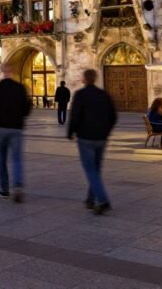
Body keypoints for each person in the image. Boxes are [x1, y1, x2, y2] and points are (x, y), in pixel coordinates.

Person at [67, 69, 117, 215]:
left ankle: (102, 200)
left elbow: (75, 116)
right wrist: (106, 131)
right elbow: (113, 116)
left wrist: (71, 132)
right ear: (95, 78)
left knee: (90, 169)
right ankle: (90, 199)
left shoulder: (80, 95)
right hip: (101, 138)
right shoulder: (104, 94)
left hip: (85, 138)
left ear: (84, 79)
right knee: (95, 169)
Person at [0, 68, 32, 202]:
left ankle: (4, 190)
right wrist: (20, 117)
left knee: (1, 159)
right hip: (16, 128)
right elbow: (28, 107)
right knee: (17, 159)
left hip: (0, 128)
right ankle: (17, 185)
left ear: (2, 74)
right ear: (12, 74)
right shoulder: (20, 88)